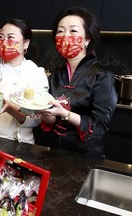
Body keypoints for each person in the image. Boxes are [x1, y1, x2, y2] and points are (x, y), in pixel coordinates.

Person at [38, 6, 117, 157]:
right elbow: (50, 120)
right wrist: (43, 111)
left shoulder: (102, 75)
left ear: (87, 39)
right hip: (55, 150)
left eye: (73, 31)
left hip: (86, 154)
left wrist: (65, 113)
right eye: (60, 31)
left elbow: (100, 125)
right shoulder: (56, 74)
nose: (65, 36)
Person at [0, 19, 49, 144]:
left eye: (10, 37)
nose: (4, 42)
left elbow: (36, 120)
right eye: (1, 37)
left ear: (26, 43)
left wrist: (10, 108)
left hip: (20, 143)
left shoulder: (35, 73)